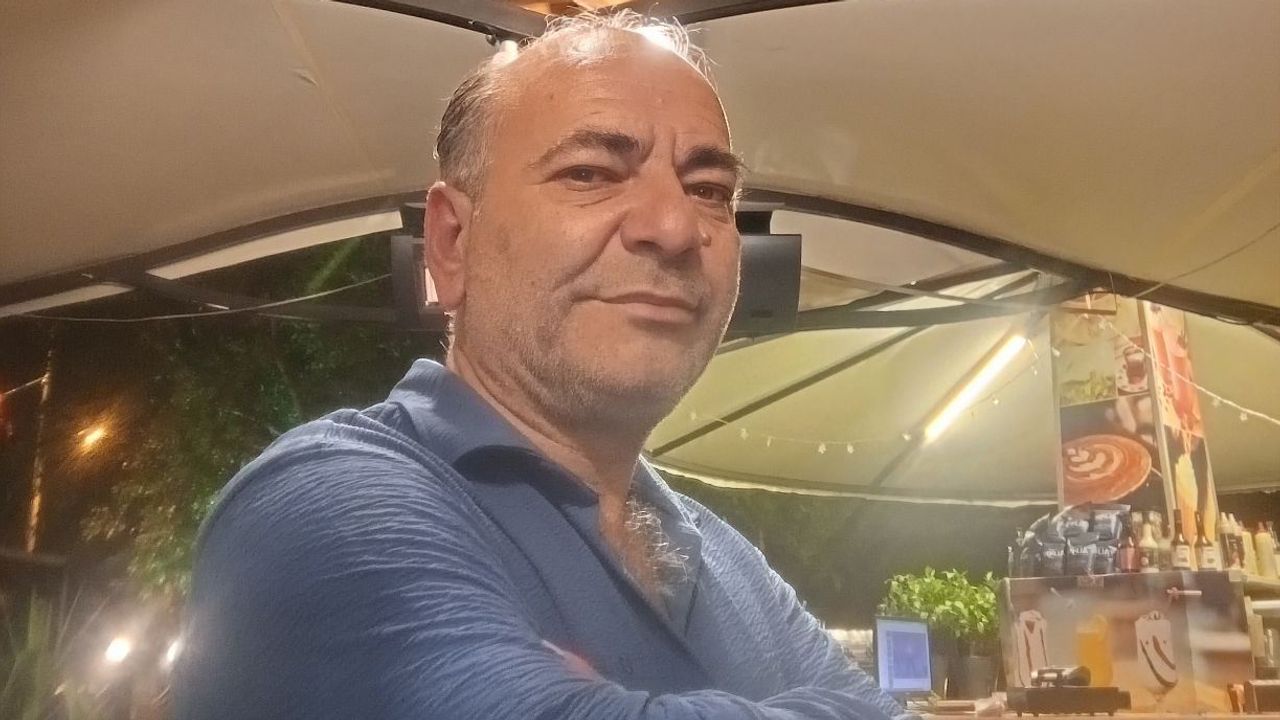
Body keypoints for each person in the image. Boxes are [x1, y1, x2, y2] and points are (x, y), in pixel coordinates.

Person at [174, 12, 910, 720]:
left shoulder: (724, 555)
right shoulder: (325, 503)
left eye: (709, 190)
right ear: (452, 244)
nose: (675, 226)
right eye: (590, 172)